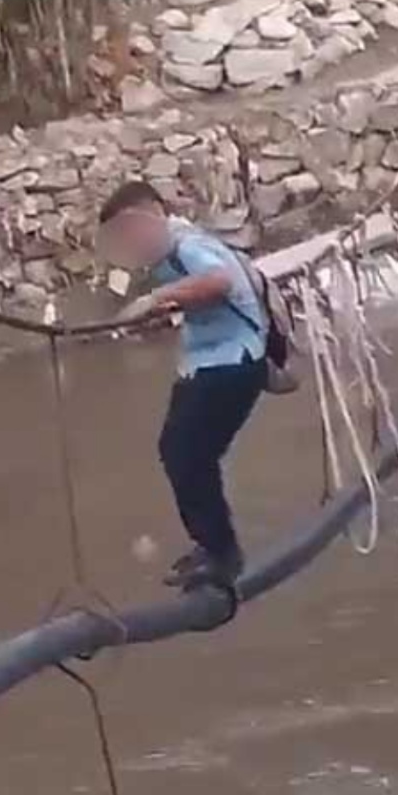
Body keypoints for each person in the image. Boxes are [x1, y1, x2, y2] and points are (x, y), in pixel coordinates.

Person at [98, 181, 269, 591]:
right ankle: (211, 546)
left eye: (133, 228)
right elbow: (202, 299)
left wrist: (154, 299)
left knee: (186, 454)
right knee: (182, 454)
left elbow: (219, 282)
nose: (132, 240)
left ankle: (222, 552)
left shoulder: (184, 243)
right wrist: (161, 310)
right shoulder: (168, 252)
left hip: (232, 363)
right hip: (208, 363)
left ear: (155, 213)